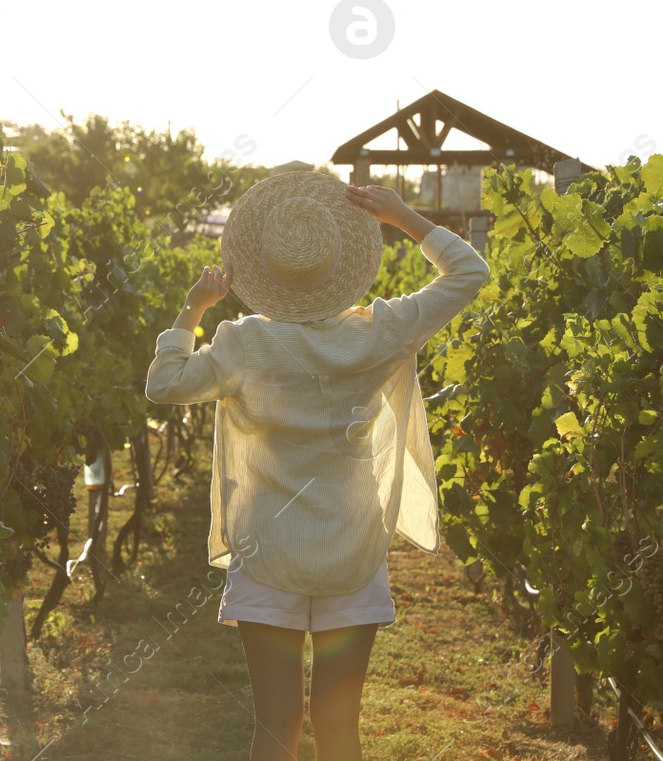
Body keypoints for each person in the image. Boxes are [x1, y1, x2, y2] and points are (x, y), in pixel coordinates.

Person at [145, 169, 489, 761]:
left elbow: (163, 383)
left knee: (275, 727)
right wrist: (403, 216)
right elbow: (469, 272)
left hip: (265, 551)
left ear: (264, 271)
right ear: (341, 263)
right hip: (352, 548)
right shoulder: (383, 332)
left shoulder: (243, 343)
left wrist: (193, 306)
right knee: (340, 727)